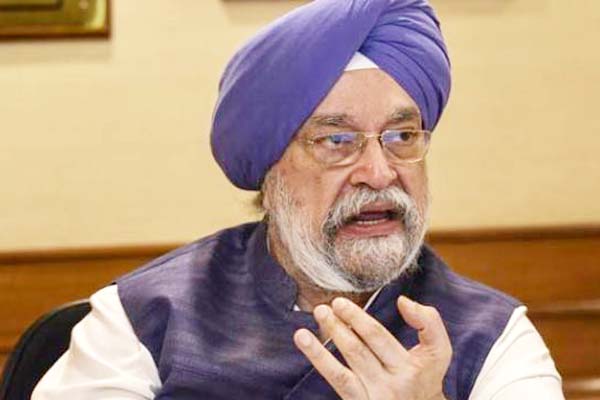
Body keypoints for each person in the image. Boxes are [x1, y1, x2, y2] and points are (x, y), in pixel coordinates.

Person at [32, 0, 564, 399]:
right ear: (270, 170)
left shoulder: (494, 338)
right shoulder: (144, 318)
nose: (379, 173)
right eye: (337, 141)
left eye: (402, 137)